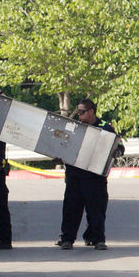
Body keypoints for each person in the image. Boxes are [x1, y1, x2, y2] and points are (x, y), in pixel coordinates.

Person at [56, 99, 121, 251]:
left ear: (91, 111)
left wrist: (116, 151)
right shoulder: (74, 126)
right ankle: (67, 239)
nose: (79, 115)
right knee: (71, 209)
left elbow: (118, 145)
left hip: (95, 177)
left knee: (96, 210)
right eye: (78, 111)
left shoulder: (105, 127)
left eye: (82, 112)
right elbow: (61, 144)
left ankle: (98, 239)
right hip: (75, 176)